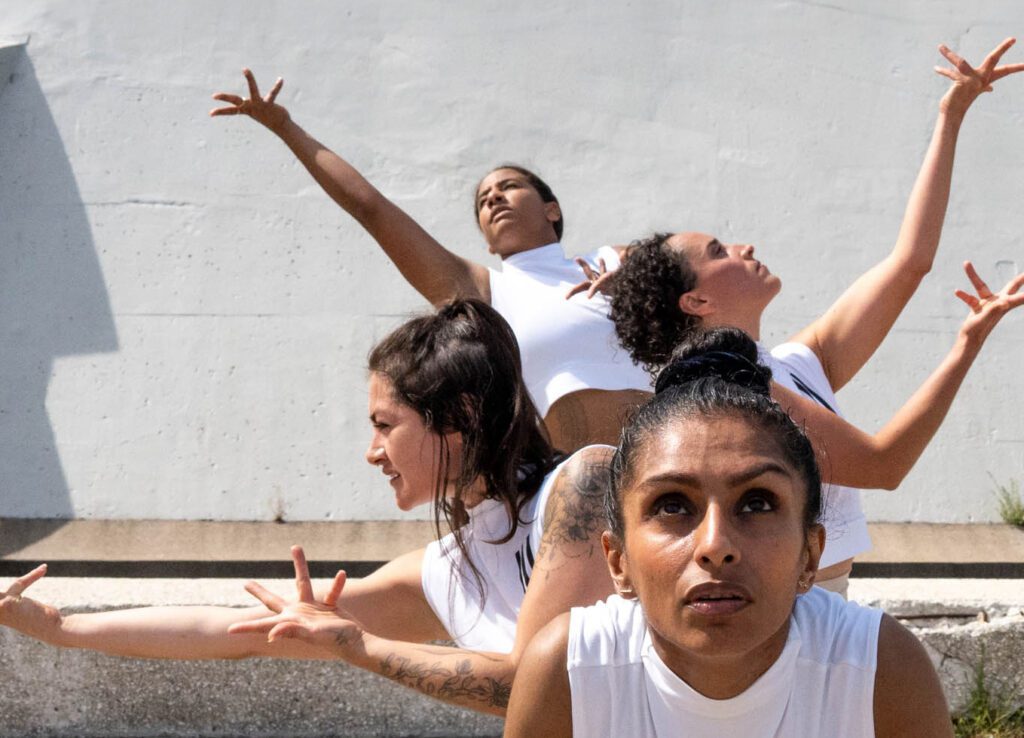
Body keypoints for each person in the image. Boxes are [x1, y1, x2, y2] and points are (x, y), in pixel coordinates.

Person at [0, 299, 614, 716]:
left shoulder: (581, 483)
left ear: (460, 419)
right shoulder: (447, 567)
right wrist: (63, 629)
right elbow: (240, 633)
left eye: (384, 425)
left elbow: (537, 687)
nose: (371, 452)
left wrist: (357, 647)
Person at [596, 38, 1024, 595]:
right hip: (786, 624)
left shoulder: (793, 361)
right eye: (720, 251)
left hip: (817, 609)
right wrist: (966, 347)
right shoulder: (729, 390)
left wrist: (951, 115)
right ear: (696, 302)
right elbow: (885, 465)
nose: (746, 247)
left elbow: (910, 262)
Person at [503, 328, 954, 737]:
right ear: (618, 561)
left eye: (757, 503)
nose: (716, 545)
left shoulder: (878, 671)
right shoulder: (570, 673)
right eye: (672, 505)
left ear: (811, 556)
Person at [208, 75, 650, 452]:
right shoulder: (487, 293)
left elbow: (700, 275)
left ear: (551, 209)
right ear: (487, 243)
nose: (493, 196)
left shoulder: (617, 260)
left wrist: (642, 284)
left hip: (679, 463)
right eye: (483, 200)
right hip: (587, 487)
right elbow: (372, 209)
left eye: (509, 187)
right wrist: (286, 128)